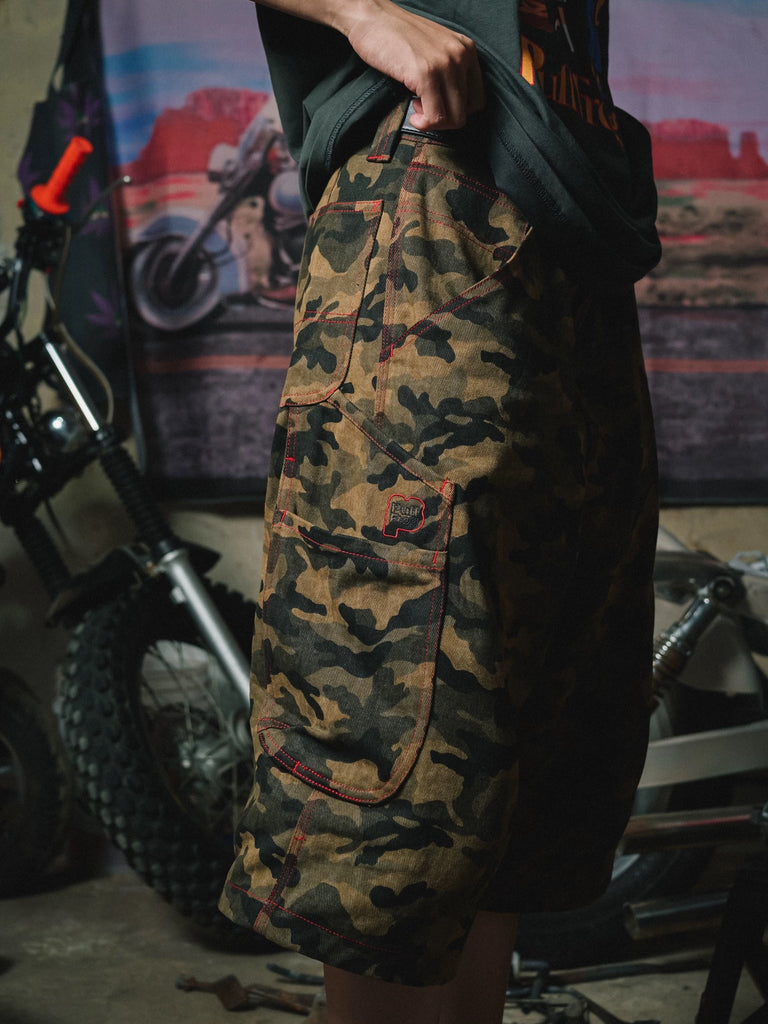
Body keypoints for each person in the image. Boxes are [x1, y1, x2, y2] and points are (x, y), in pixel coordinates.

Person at [219, 2, 661, 1022]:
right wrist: (364, 14)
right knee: (399, 771)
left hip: (569, 214)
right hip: (431, 190)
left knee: (512, 759)